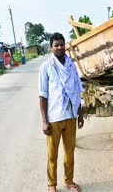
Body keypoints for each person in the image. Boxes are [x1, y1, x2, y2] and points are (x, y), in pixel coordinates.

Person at [38, 32, 84, 192]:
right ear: (51, 48)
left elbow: (78, 90)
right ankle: (52, 185)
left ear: (65, 46)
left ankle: (69, 181)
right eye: (56, 45)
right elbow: (43, 95)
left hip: (70, 116)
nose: (59, 47)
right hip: (54, 118)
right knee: (52, 155)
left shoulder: (72, 66)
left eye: (62, 44)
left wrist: (80, 114)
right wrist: (44, 121)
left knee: (69, 153)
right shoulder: (46, 67)